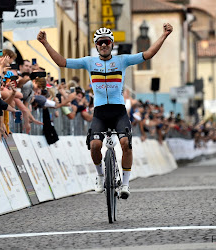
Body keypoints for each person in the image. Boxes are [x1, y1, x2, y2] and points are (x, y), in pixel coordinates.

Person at [37, 24, 173, 199]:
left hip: (118, 112)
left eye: (107, 42)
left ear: (112, 44)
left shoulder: (122, 60)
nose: (103, 45)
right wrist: (45, 43)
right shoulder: (89, 62)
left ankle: (125, 183)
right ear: (96, 45)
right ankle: (100, 176)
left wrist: (164, 35)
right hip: (100, 112)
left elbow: (148, 55)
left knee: (126, 144)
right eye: (100, 42)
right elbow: (61, 62)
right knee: (94, 145)